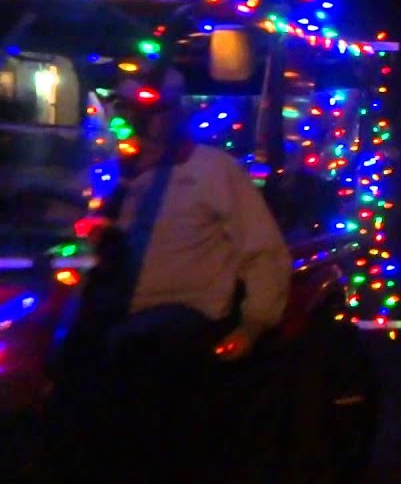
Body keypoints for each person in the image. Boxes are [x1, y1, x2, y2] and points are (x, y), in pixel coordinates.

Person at [52, 67, 292, 480]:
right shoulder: (111, 177)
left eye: (156, 111)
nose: (147, 123)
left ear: (175, 112)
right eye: (134, 113)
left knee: (141, 362)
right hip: (109, 309)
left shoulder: (213, 170)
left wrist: (252, 325)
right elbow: (72, 230)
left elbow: (263, 251)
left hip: (183, 317)